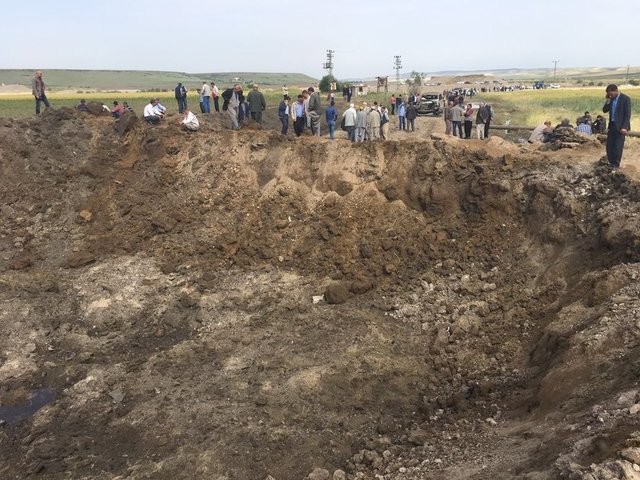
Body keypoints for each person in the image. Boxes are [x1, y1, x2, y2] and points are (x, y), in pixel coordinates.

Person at [603, 84, 632, 168]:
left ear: (616, 90)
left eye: (611, 94)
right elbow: (604, 110)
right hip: (612, 125)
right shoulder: (611, 99)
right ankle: (611, 163)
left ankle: (615, 165)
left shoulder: (625, 99)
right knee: (609, 146)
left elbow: (627, 114)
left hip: (620, 127)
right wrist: (608, 100)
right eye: (609, 94)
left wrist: (625, 127)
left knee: (617, 147)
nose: (610, 95)